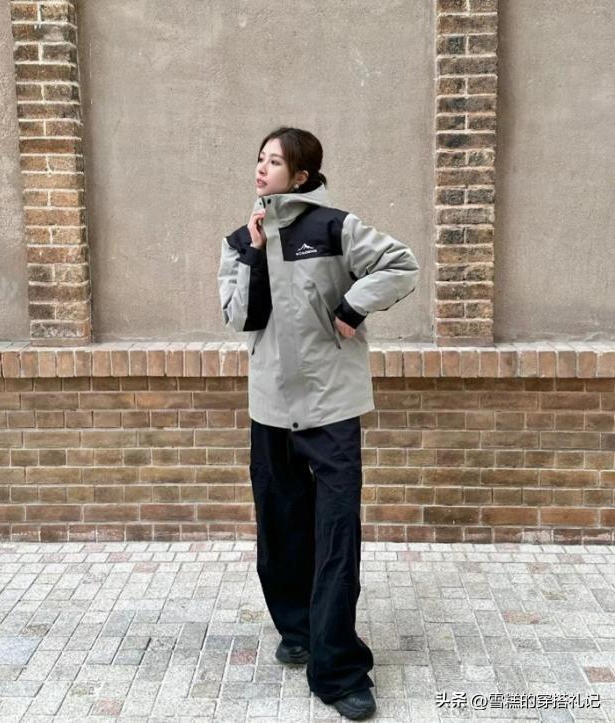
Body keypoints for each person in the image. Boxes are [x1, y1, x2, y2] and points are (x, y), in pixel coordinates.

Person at [217, 126, 420, 720]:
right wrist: (254, 253)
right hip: (270, 410)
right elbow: (239, 316)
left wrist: (353, 306)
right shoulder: (238, 241)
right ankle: (298, 630)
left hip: (331, 410)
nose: (261, 168)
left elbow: (400, 264)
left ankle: (338, 670)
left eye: (274, 162)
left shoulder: (333, 228)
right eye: (259, 158)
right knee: (281, 533)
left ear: (301, 176)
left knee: (335, 539)